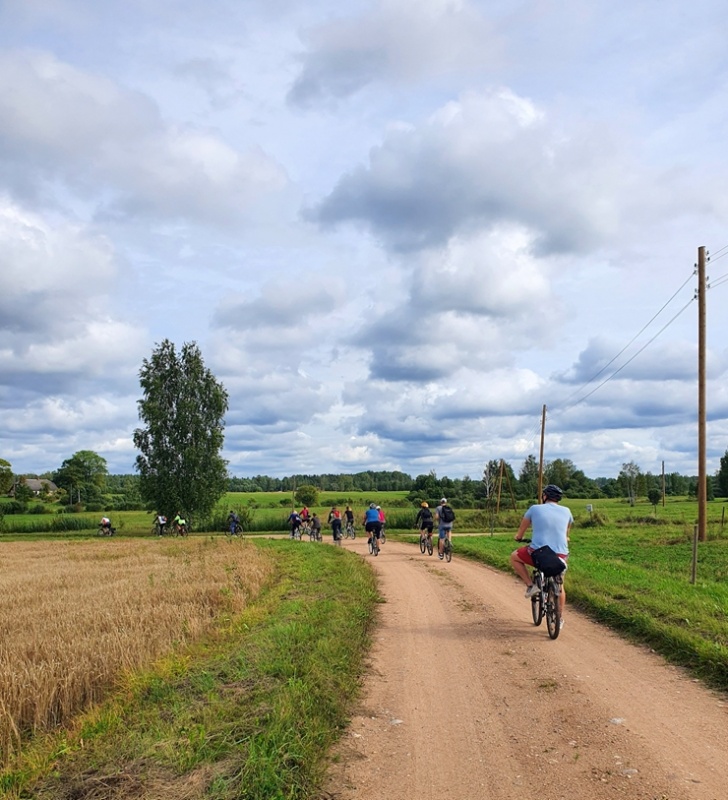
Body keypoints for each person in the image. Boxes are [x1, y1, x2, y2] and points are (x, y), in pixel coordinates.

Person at [511, 484, 572, 624]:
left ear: (545, 496)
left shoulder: (534, 509)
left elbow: (521, 532)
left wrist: (518, 537)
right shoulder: (567, 511)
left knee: (514, 557)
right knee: (560, 585)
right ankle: (559, 618)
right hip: (560, 555)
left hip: (539, 554)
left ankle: (531, 585)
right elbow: (567, 533)